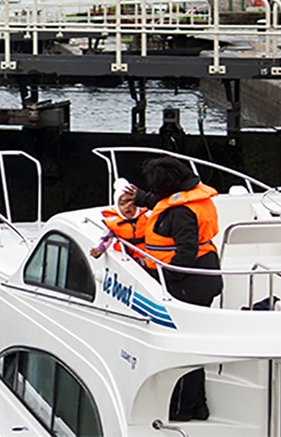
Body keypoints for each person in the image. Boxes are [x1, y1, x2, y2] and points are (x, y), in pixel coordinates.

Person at [125, 156, 222, 422]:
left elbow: (186, 253)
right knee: (192, 344)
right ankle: (198, 406)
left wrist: (163, 281)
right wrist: (141, 198)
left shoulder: (181, 212)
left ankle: (182, 408)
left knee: (182, 348)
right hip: (203, 277)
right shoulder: (189, 196)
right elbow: (164, 203)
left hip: (189, 285)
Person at [89, 178, 150, 272]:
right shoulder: (114, 223)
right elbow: (105, 238)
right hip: (126, 259)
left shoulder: (147, 216)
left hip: (147, 257)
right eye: (122, 204)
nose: (127, 206)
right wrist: (99, 249)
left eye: (131, 202)